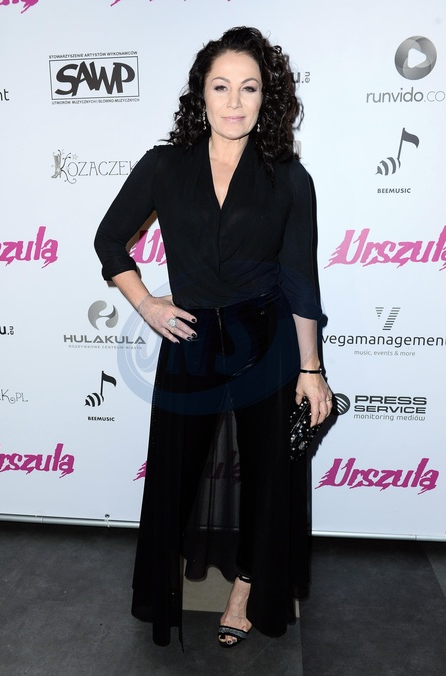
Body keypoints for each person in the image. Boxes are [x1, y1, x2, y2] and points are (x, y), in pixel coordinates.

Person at [94, 26, 332, 648]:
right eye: (221, 86)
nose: (234, 101)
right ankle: (163, 595)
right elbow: (109, 240)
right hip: (191, 338)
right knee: (174, 474)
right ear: (200, 93)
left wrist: (312, 370)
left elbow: (300, 281)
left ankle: (246, 591)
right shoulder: (165, 165)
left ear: (266, 97)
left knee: (267, 475)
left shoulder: (289, 177)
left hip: (267, 339)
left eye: (249, 88)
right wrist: (146, 304)